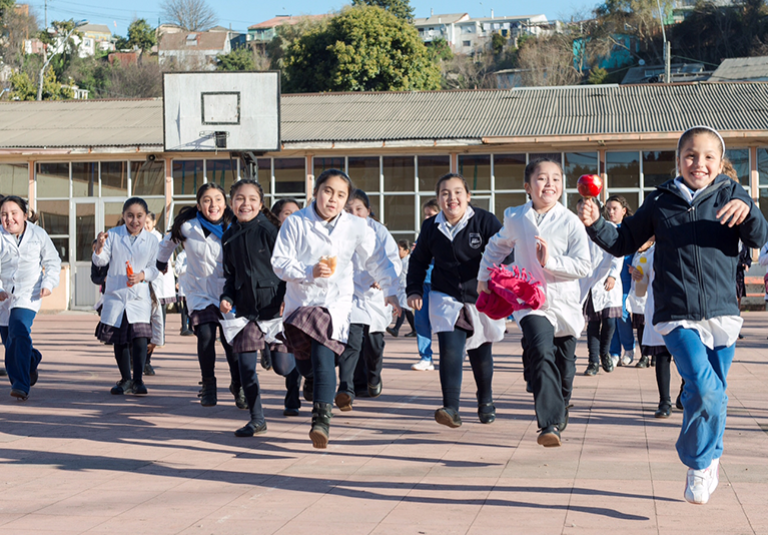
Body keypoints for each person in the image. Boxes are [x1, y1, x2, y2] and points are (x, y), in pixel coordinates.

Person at [578, 125, 768, 505]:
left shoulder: (732, 193)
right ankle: (699, 463)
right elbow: (624, 241)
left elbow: (760, 237)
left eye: (708, 157)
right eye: (691, 156)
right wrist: (596, 222)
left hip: (722, 312)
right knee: (706, 388)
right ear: (679, 160)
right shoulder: (662, 200)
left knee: (713, 393)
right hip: (676, 313)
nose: (699, 163)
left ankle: (711, 455)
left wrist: (748, 213)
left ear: (719, 162)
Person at [271, 169, 400, 449]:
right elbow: (279, 262)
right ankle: (311, 378)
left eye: (341, 195)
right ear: (316, 192)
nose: (333, 199)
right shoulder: (295, 223)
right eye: (328, 191)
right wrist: (309, 270)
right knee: (307, 364)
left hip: (336, 304)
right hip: (302, 302)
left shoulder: (356, 226)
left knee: (324, 354)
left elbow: (377, 259)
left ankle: (321, 421)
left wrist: (392, 291)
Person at [478, 159, 591, 446]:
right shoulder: (516, 217)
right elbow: (496, 246)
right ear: (528, 187)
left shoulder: (571, 222)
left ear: (562, 186)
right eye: (542, 178)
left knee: (565, 368)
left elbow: (583, 266)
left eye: (556, 178)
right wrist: (483, 276)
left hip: (564, 304)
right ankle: (550, 425)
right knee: (542, 351)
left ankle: (560, 402)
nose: (549, 184)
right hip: (530, 302)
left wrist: (550, 262)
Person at [407, 173, 509, 429]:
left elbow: (506, 252)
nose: (452, 198)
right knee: (450, 350)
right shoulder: (431, 227)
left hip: (481, 297)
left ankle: (485, 399)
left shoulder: (485, 221)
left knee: (480, 353)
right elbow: (418, 260)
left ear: (468, 196)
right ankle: (451, 407)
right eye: (445, 193)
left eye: (457, 192)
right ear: (439, 198)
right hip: (446, 296)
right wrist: (414, 290)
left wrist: (502, 281)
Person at [156, 184, 245, 409]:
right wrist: (161, 262)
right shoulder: (188, 227)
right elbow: (167, 243)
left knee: (230, 341)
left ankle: (238, 384)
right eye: (207, 200)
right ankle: (208, 384)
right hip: (199, 291)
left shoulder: (234, 227)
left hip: (228, 292)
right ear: (199, 205)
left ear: (225, 204)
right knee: (205, 335)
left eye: (217, 199)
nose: (212, 205)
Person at [221, 179, 286, 437]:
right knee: (246, 368)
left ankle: (307, 377)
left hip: (274, 310)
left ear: (261, 203)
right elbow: (229, 276)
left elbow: (284, 270)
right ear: (231, 202)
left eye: (251, 199)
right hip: (246, 313)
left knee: (284, 367)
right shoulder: (228, 237)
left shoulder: (270, 231)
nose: (245, 204)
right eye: (239, 198)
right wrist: (227, 297)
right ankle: (257, 418)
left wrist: (285, 299)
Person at [335, 189, 401, 412]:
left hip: (374, 297)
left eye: (358, 209)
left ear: (368, 211)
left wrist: (384, 280)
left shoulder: (378, 231)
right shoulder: (337, 231)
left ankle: (373, 378)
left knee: (373, 345)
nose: (353, 214)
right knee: (351, 343)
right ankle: (346, 388)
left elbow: (393, 260)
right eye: (348, 210)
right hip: (349, 295)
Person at [93, 197, 158, 396]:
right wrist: (99, 247)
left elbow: (155, 268)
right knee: (120, 340)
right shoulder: (113, 235)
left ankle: (138, 380)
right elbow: (101, 260)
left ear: (146, 217)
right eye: (130, 216)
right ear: (123, 216)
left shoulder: (152, 240)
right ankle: (125, 379)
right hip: (117, 295)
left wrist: (142, 276)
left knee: (140, 338)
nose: (134, 220)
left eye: (139, 216)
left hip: (139, 296)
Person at [0, 196, 61, 401]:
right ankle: (32, 358)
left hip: (29, 293)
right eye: (4, 215)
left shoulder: (38, 234)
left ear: (24, 215)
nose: (9, 219)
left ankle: (20, 384)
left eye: (14, 213)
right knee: (11, 341)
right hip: (4, 296)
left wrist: (48, 284)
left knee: (18, 329)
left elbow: (52, 261)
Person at [580, 224, 623, 376]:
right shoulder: (580, 229)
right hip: (590, 282)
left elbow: (618, 253)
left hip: (608, 282)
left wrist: (612, 275)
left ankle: (604, 352)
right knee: (593, 324)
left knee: (610, 321)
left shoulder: (609, 228)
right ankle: (593, 362)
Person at [605, 196, 637, 367]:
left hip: (628, 276)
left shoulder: (630, 228)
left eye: (614, 208)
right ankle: (614, 352)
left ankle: (630, 348)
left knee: (623, 313)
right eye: (608, 208)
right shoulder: (605, 228)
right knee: (612, 314)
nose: (611, 212)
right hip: (611, 278)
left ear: (624, 211)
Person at [143, 212, 176, 376]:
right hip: (142, 289)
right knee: (141, 326)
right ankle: (138, 359)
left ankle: (147, 361)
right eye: (144, 222)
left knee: (155, 328)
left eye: (149, 222)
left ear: (154, 222)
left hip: (158, 290)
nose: (146, 225)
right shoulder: (139, 238)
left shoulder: (160, 239)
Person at [411, 199, 440, 371]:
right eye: (425, 214)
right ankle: (426, 357)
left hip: (441, 284)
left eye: (430, 214)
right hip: (423, 283)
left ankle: (453, 354)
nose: (427, 217)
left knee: (446, 322)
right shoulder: (424, 232)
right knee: (421, 321)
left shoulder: (446, 232)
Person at [387, 239, 416, 338]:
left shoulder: (408, 261)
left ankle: (396, 329)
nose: (397, 251)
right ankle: (415, 329)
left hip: (406, 288)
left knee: (403, 308)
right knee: (407, 311)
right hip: (401, 288)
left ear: (406, 251)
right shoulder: (400, 261)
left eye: (399, 249)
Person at [174, 247, 193, 336]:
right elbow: (178, 270)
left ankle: (191, 327)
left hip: (193, 286)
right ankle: (184, 327)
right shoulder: (181, 256)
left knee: (191, 308)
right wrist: (188, 266)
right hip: (184, 286)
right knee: (184, 308)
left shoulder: (193, 255)